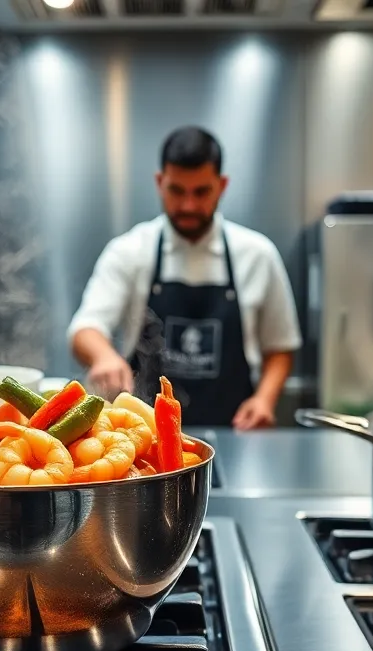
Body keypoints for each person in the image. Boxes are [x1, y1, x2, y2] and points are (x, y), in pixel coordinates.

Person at [68, 126, 301, 429]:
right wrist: (104, 356)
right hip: (146, 435)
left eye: (201, 192)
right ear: (159, 182)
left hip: (232, 431)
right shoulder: (130, 251)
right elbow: (84, 329)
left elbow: (280, 346)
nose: (188, 205)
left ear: (222, 185)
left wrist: (265, 400)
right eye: (176, 191)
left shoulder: (257, 255)